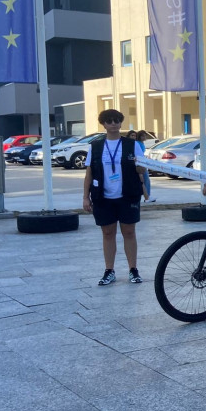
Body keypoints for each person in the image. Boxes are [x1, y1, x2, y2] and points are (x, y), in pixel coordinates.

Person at [82, 108, 147, 286]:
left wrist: (140, 165)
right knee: (108, 232)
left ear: (121, 122)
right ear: (103, 124)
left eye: (116, 120)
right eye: (109, 121)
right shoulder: (95, 146)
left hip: (127, 195)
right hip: (103, 196)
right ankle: (109, 270)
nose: (113, 124)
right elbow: (89, 173)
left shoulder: (132, 145)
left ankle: (133, 269)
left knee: (129, 232)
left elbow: (142, 169)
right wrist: (85, 197)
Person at [136, 130, 154, 202]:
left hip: (143, 162)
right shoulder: (137, 143)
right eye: (142, 136)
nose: (144, 137)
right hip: (139, 164)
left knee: (146, 180)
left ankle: (148, 196)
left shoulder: (141, 143)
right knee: (145, 179)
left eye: (145, 136)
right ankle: (147, 196)